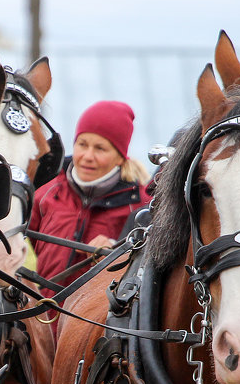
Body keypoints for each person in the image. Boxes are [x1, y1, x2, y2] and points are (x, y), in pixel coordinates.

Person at [27, 100, 152, 293]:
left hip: (98, 320)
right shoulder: (46, 193)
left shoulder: (142, 205)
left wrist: (115, 250)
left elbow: (148, 267)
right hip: (44, 316)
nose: (87, 156)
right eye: (82, 144)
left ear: (121, 156)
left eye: (100, 149)